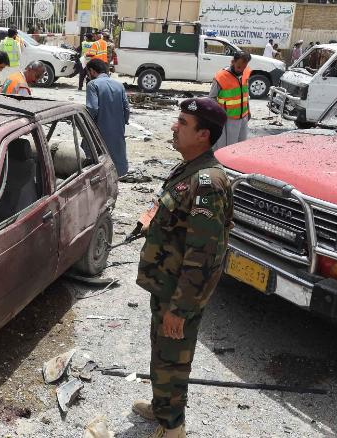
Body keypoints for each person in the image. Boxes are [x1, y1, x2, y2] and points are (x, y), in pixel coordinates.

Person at [132, 96, 232, 438]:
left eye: (183, 124)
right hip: (166, 284)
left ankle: (172, 428)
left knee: (173, 358)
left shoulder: (208, 184)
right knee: (163, 354)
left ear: (203, 134)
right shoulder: (189, 169)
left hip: (179, 293)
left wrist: (181, 308)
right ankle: (163, 407)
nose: (175, 127)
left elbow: (204, 256)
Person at [84, 59, 130, 178]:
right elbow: (126, 109)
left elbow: (92, 109)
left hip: (98, 130)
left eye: (88, 73)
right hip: (117, 130)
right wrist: (121, 124)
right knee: (116, 161)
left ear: (92, 71)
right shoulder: (119, 85)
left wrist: (85, 125)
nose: (88, 76)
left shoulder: (93, 84)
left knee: (92, 161)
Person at [209, 52, 251, 148]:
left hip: (243, 116)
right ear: (232, 62)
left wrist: (248, 110)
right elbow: (212, 98)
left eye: (244, 67)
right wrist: (219, 115)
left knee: (241, 145)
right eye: (239, 67)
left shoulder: (245, 73)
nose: (241, 70)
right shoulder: (221, 77)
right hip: (228, 119)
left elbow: (245, 94)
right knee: (227, 147)